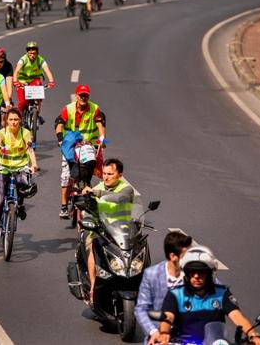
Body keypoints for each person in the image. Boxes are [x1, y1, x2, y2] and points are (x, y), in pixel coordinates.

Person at [158, 246, 260, 345]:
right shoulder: (175, 294)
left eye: (201, 272)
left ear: (210, 274)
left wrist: (253, 335)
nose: (196, 276)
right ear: (186, 274)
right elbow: (168, 317)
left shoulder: (222, 294)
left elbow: (237, 316)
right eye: (192, 272)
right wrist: (164, 333)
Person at [81, 158, 137, 303]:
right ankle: (93, 289)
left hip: (123, 232)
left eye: (110, 174)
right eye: (104, 173)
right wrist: (85, 206)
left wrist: (97, 193)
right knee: (92, 249)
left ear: (120, 175)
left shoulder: (126, 189)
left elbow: (120, 198)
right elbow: (88, 210)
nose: (106, 177)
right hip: (102, 232)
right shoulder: (97, 187)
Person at [0, 108, 38, 244]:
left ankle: (20, 206)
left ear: (20, 120)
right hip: (3, 168)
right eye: (11, 120)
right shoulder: (2, 133)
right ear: (6, 121)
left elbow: (30, 148)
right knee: (1, 198)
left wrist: (34, 165)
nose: (13, 122)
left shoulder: (25, 133)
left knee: (23, 185)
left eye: (16, 119)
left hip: (20, 166)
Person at [55, 84, 105, 218]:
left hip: (88, 146)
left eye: (86, 95)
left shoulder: (95, 109)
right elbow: (59, 126)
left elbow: (100, 125)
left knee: (89, 172)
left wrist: (102, 140)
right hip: (70, 146)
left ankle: (88, 192)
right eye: (81, 95)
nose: (83, 98)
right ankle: (64, 206)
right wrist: (61, 140)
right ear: (76, 96)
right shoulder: (68, 109)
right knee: (66, 176)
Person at [135, 232, 193, 345]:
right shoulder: (151, 275)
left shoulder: (195, 273)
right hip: (160, 335)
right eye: (185, 256)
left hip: (190, 334)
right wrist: (154, 332)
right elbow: (141, 309)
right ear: (172, 256)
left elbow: (215, 290)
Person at [13, 41, 55, 114]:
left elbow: (47, 70)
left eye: (34, 53)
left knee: (38, 95)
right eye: (30, 53)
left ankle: (37, 114)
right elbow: (16, 71)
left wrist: (51, 82)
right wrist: (15, 81)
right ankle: (20, 116)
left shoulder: (40, 59)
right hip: (22, 82)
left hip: (34, 80)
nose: (32, 55)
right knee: (22, 103)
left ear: (37, 53)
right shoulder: (23, 59)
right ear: (27, 53)